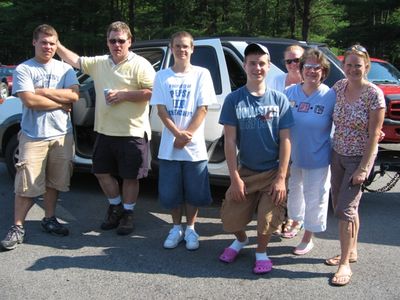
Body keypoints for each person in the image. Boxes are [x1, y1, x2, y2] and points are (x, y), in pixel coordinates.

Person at [56, 21, 156, 235]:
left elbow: (152, 92)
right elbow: (75, 60)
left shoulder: (141, 64)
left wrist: (124, 95)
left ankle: (128, 213)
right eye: (113, 40)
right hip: (104, 131)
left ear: (130, 42)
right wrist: (56, 44)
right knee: (101, 172)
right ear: (107, 42)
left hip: (133, 132)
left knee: (131, 177)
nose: (117, 44)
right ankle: (116, 206)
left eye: (121, 40)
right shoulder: (99, 63)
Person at [1, 24, 79, 250]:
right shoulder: (24, 69)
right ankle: (17, 227)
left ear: (57, 44)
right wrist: (60, 102)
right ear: (34, 42)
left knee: (55, 182)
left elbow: (74, 95)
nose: (48, 47)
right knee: (25, 184)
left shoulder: (66, 69)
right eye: (44, 42)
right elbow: (29, 101)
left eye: (52, 43)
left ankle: (50, 219)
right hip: (33, 136)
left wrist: (43, 92)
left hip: (61, 136)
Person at [218, 43, 294, 274]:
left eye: (262, 63)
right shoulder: (234, 99)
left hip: (273, 172)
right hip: (247, 170)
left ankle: (261, 252)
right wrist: (234, 178)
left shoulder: (280, 100)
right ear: (244, 65)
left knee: (267, 217)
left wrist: (281, 178)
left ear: (269, 66)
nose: (257, 67)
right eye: (252, 63)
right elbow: (229, 141)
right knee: (230, 218)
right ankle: (240, 241)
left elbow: (286, 141)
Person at [150, 31, 216, 250]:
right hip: (170, 147)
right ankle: (176, 227)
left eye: (186, 46)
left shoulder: (202, 74)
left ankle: (191, 229)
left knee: (194, 192)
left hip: (194, 148)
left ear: (192, 48)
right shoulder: (162, 76)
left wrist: (185, 136)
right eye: (177, 46)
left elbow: (203, 108)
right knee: (171, 192)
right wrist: (176, 135)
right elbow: (161, 110)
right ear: (171, 48)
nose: (182, 50)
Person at [326, 45, 385, 286]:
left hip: (358, 159)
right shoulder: (339, 87)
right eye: (348, 65)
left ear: (366, 67)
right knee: (346, 207)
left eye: (357, 65)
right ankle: (351, 250)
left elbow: (374, 136)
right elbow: (324, 112)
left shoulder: (374, 95)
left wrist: (363, 169)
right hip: (337, 154)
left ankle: (344, 264)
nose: (352, 69)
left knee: (345, 210)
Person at [283, 49, 336, 254]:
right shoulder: (290, 93)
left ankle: (308, 236)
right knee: (295, 193)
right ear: (301, 69)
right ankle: (296, 221)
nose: (312, 71)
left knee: (315, 196)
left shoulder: (330, 95)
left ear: (323, 71)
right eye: (308, 67)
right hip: (293, 157)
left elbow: (344, 121)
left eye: (317, 68)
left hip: (318, 157)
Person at [268, 44, 304, 236]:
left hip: (302, 140)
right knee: (280, 179)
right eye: (289, 61)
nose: (292, 64)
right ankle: (279, 217)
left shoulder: (310, 81)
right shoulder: (276, 80)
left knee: (297, 182)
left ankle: (296, 219)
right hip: (280, 138)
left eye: (296, 60)